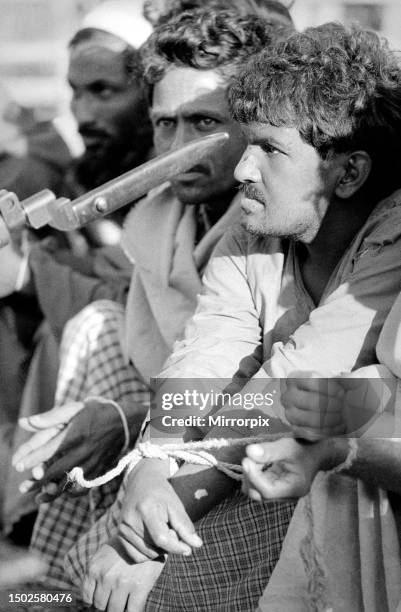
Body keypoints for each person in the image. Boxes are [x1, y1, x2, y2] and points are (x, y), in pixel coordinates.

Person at [109, 22, 401, 612]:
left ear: (348, 173)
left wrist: (166, 508)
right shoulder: (250, 233)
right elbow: (208, 352)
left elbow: (297, 381)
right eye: (247, 145)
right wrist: (150, 460)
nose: (243, 168)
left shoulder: (393, 234)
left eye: (268, 148)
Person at [15, 10, 284, 605]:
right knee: (99, 327)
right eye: (166, 124)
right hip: (166, 441)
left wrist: (146, 449)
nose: (179, 148)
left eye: (205, 123)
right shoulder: (161, 219)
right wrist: (131, 422)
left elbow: (284, 394)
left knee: (103, 574)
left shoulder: (279, 221)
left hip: (256, 461)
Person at [0, 0, 153, 549]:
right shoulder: (74, 178)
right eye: (75, 92)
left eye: (105, 91)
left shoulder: (185, 190)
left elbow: (135, 300)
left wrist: (25, 274)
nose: (83, 113)